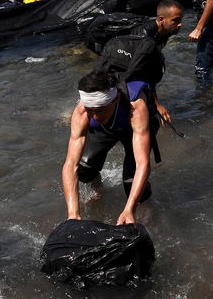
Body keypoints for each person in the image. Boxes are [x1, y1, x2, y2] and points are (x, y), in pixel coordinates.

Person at [62, 71, 158, 226]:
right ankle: (98, 186)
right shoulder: (81, 112)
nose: (95, 117)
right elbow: (70, 164)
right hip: (106, 130)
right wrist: (73, 214)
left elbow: (143, 163)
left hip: (133, 128)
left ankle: (146, 213)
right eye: (90, 110)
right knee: (84, 169)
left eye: (100, 110)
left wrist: (129, 209)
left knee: (131, 182)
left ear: (116, 99)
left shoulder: (136, 108)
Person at [96, 0, 184, 125]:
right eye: (175, 20)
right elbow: (138, 73)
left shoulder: (166, 30)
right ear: (160, 19)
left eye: (181, 19)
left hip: (128, 53)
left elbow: (149, 68)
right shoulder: (144, 38)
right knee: (111, 81)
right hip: (110, 48)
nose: (180, 24)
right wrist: (157, 105)